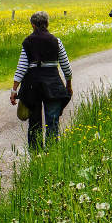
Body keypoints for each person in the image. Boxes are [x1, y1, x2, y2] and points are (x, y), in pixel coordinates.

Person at [9, 11, 73, 150]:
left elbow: (21, 67)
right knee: (52, 121)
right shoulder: (56, 41)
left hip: (33, 86)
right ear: (47, 23)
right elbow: (66, 66)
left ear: (32, 25)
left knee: (34, 122)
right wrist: (68, 84)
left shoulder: (27, 42)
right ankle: (51, 152)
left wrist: (14, 90)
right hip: (53, 85)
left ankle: (36, 153)